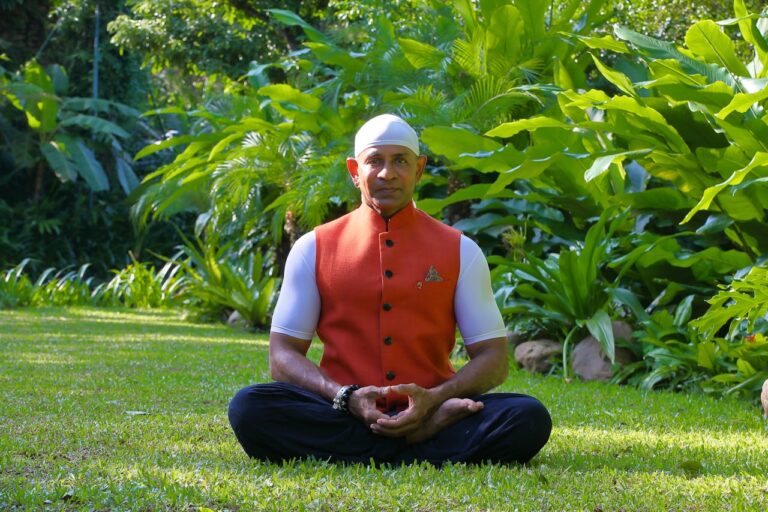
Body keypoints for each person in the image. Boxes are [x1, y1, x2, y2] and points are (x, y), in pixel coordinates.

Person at [228, 114, 551, 465]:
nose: (387, 174)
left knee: (528, 417)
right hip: (342, 410)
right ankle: (420, 442)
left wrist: (435, 400)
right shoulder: (313, 247)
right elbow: (282, 356)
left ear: (419, 169)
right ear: (354, 170)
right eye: (375, 161)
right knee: (250, 408)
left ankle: (392, 440)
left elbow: (494, 358)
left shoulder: (460, 250)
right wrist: (345, 397)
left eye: (400, 161)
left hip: (434, 406)